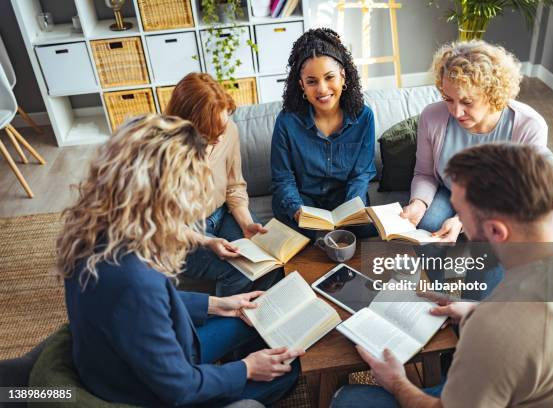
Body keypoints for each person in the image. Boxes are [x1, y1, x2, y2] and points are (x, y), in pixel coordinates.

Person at [331, 144, 553, 408]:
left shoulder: (494, 330)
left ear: (496, 232)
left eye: (462, 216)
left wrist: (396, 381)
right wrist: (475, 308)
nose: (458, 224)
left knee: (347, 398)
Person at [57, 115, 303, 407]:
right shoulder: (133, 280)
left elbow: (148, 305)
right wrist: (247, 368)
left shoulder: (97, 230)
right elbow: (179, 388)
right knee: (289, 372)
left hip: (145, 360)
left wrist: (221, 304)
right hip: (148, 394)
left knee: (255, 319)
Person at [401, 40, 548, 242]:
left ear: (492, 93)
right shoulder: (432, 116)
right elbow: (425, 173)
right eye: (448, 98)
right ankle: (428, 275)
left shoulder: (529, 127)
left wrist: (462, 221)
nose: (456, 112)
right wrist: (418, 203)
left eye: (467, 102)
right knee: (427, 228)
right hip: (451, 190)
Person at [164, 72, 282, 296]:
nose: (219, 138)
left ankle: (261, 314)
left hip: (223, 214)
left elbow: (234, 185)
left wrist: (246, 223)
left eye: (222, 127)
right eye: (208, 133)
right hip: (184, 235)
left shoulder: (228, 132)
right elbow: (164, 225)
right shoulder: (161, 155)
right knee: (239, 270)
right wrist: (207, 242)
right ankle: (230, 318)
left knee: (271, 262)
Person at [271, 28, 378, 240]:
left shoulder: (364, 117)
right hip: (304, 203)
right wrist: (299, 211)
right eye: (311, 81)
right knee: (310, 239)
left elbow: (361, 174)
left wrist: (350, 212)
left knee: (371, 235)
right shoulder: (286, 122)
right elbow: (283, 179)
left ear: (343, 76)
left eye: (329, 77)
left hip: (347, 202)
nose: (322, 89)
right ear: (301, 84)